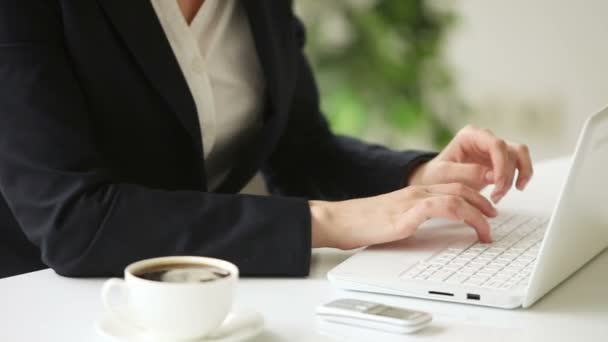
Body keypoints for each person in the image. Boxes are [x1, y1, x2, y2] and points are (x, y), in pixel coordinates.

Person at [0, 0, 532, 279]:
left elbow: (301, 148)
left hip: (198, 294)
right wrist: (326, 222)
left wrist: (418, 177)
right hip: (38, 295)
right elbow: (74, 222)